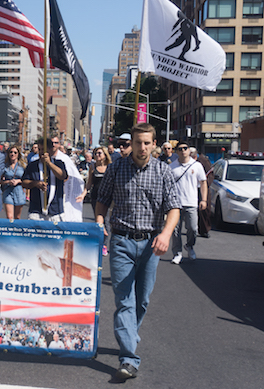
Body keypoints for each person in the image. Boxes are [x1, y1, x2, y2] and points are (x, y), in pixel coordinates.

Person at [95, 123, 181, 380]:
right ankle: (129, 358)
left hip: (151, 244)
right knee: (124, 302)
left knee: (141, 300)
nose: (141, 147)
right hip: (121, 242)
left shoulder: (164, 172)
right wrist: (99, 220)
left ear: (154, 144)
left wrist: (166, 234)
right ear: (131, 143)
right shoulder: (116, 168)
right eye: (137, 142)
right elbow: (102, 200)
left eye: (146, 143)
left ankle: (130, 334)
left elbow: (174, 208)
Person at [170, 141, 208, 264]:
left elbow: (203, 183)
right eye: (180, 149)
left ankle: (190, 246)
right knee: (175, 230)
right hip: (175, 203)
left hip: (191, 202)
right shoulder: (172, 167)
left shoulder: (196, 166)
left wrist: (203, 199)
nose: (183, 151)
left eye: (185, 148)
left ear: (189, 150)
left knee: (193, 228)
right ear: (176, 151)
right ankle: (177, 253)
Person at [22, 139, 68, 221]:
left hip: (55, 210)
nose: (41, 152)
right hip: (36, 210)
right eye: (40, 149)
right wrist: (35, 183)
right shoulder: (32, 165)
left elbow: (62, 176)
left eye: (44, 149)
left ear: (50, 150)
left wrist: (49, 164)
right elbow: (24, 182)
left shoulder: (59, 163)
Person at [51, 135, 85, 222]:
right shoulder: (43, 157)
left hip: (61, 192)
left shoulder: (64, 158)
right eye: (51, 143)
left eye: (56, 143)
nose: (53, 145)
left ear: (59, 144)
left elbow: (71, 176)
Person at [1, 145, 26, 220]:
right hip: (8, 191)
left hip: (19, 191)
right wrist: (8, 182)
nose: (13, 154)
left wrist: (18, 181)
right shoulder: (4, 166)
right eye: (11, 152)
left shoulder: (23, 166)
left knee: (17, 217)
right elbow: (0, 181)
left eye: (15, 152)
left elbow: (27, 179)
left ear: (18, 154)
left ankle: (16, 231)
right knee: (10, 217)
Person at [196, 151, 213, 237]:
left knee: (204, 210)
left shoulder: (203, 161)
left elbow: (210, 174)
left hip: (203, 188)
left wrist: (206, 185)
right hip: (191, 188)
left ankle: (204, 230)